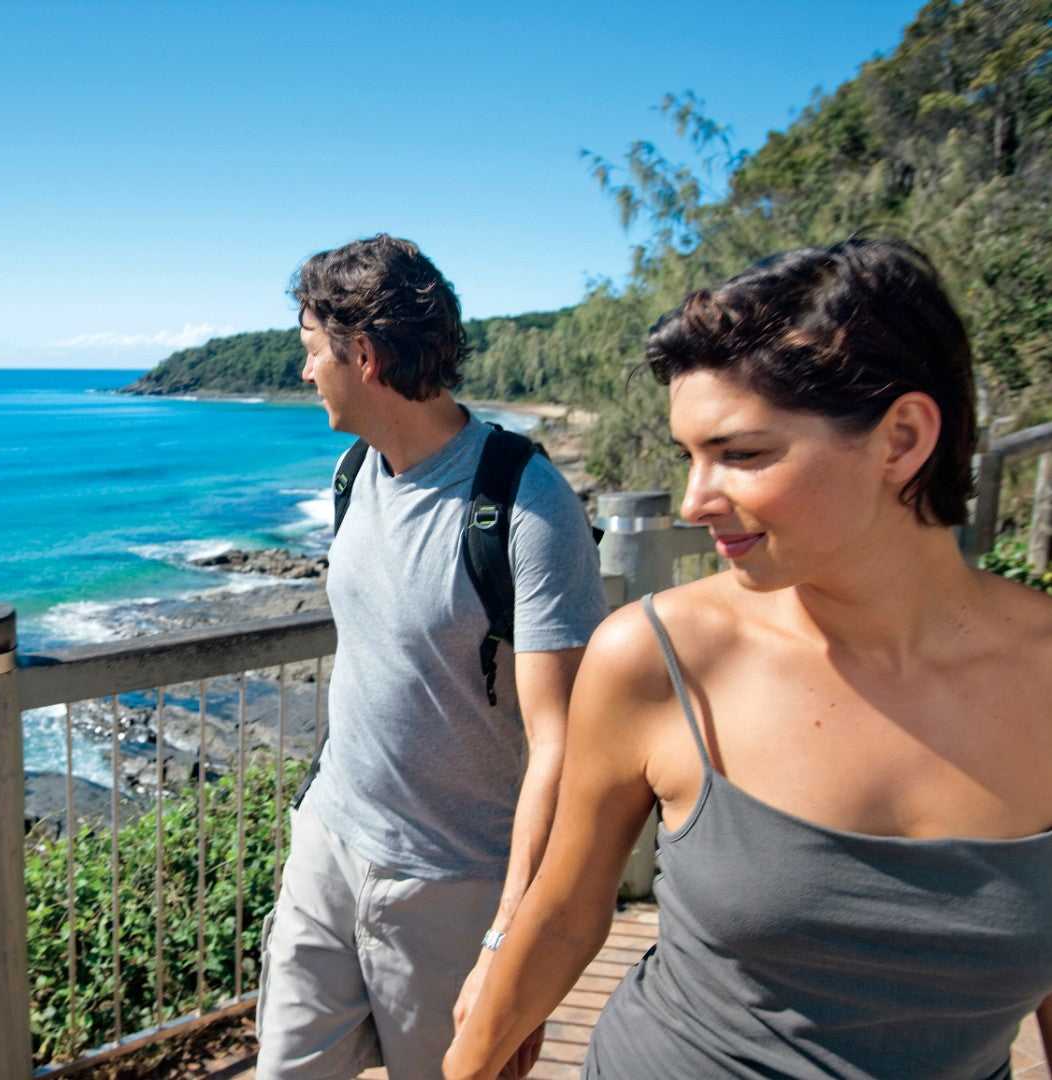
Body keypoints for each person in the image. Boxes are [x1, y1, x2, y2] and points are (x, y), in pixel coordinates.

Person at [443, 236, 1052, 1080]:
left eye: (742, 454)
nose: (696, 501)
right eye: (689, 457)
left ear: (902, 438)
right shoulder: (656, 658)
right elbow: (566, 913)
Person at [256, 234, 606, 1079]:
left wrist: (508, 940)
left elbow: (562, 747)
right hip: (330, 844)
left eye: (312, 353)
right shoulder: (353, 473)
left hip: (454, 888)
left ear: (363, 355)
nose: (306, 374)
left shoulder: (526, 506)